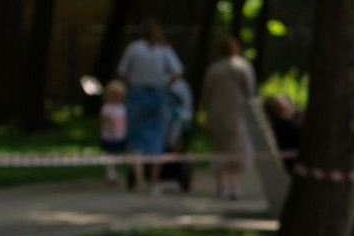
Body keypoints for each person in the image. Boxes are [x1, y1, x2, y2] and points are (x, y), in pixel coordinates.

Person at [117, 21, 184, 192]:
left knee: (136, 140)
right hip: (158, 94)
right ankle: (154, 182)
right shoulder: (164, 49)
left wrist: (132, 83)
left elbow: (122, 71)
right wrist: (165, 83)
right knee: (157, 138)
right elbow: (178, 72)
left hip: (137, 94)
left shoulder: (134, 47)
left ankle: (139, 181)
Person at [200, 36, 259, 200]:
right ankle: (235, 186)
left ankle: (220, 186)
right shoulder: (243, 66)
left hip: (217, 113)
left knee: (219, 148)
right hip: (237, 112)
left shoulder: (214, 69)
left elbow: (206, 95)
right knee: (238, 149)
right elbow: (250, 93)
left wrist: (206, 115)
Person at [98, 80, 129, 183]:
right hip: (109, 136)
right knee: (110, 155)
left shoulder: (123, 108)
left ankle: (116, 172)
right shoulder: (106, 108)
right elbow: (103, 120)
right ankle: (111, 173)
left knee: (119, 155)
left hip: (120, 136)